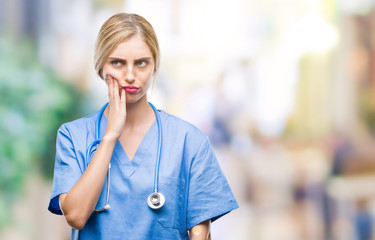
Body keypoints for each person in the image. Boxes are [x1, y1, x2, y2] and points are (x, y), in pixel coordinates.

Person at [48, 12, 238, 240]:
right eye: (117, 62)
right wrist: (110, 136)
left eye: (141, 63)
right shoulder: (73, 136)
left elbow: (201, 232)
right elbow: (76, 216)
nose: (130, 75)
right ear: (101, 67)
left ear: (155, 66)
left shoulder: (190, 141)